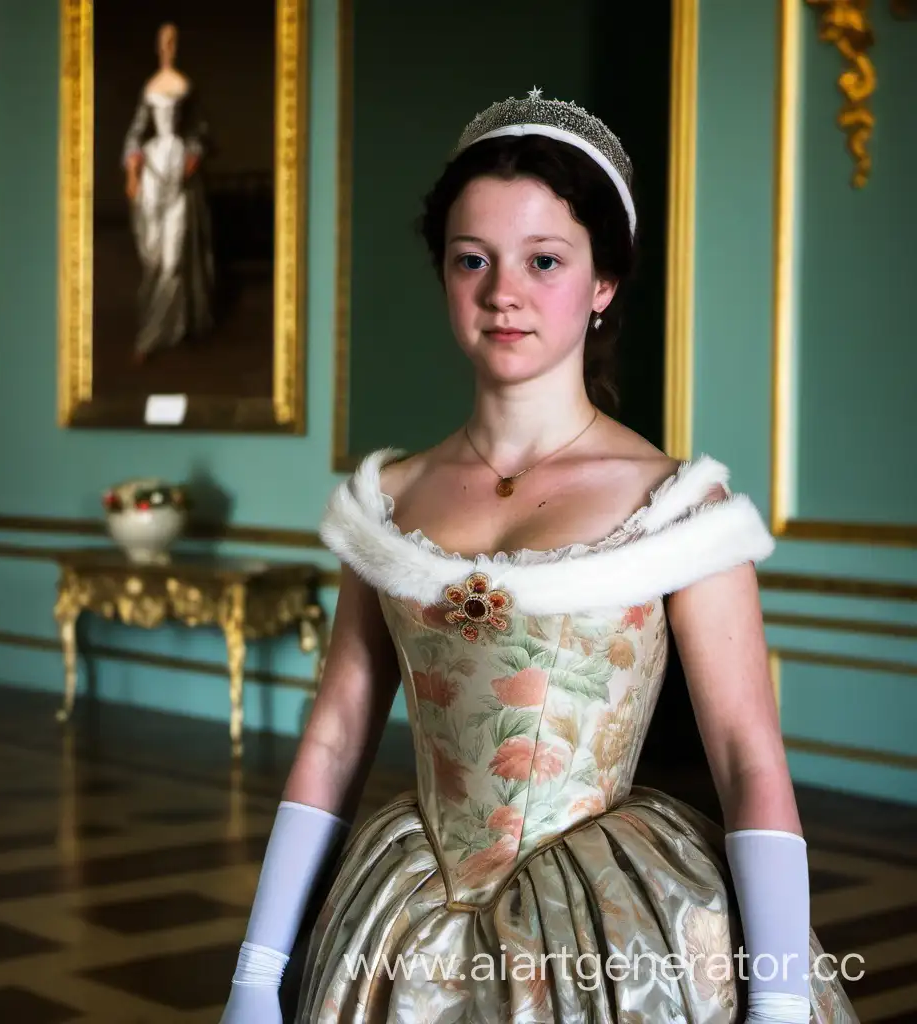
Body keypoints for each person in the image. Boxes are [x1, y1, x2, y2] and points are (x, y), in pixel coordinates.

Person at [219, 91, 859, 1022]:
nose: (502, 292)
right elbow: (334, 737)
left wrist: (781, 1002)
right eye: (470, 260)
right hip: (408, 909)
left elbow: (746, 755)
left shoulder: (676, 507)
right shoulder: (387, 500)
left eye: (544, 261)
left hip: (604, 926)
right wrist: (254, 973)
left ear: (603, 284)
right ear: (443, 274)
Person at [123, 22, 214, 363]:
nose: (168, 47)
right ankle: (163, 327)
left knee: (174, 262)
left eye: (174, 41)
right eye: (164, 42)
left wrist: (191, 159)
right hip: (152, 175)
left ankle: (148, 340)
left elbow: (202, 132)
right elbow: (135, 133)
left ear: (178, 46)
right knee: (154, 258)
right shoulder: (150, 88)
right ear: (157, 46)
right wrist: (132, 172)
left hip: (179, 176)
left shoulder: (186, 87)